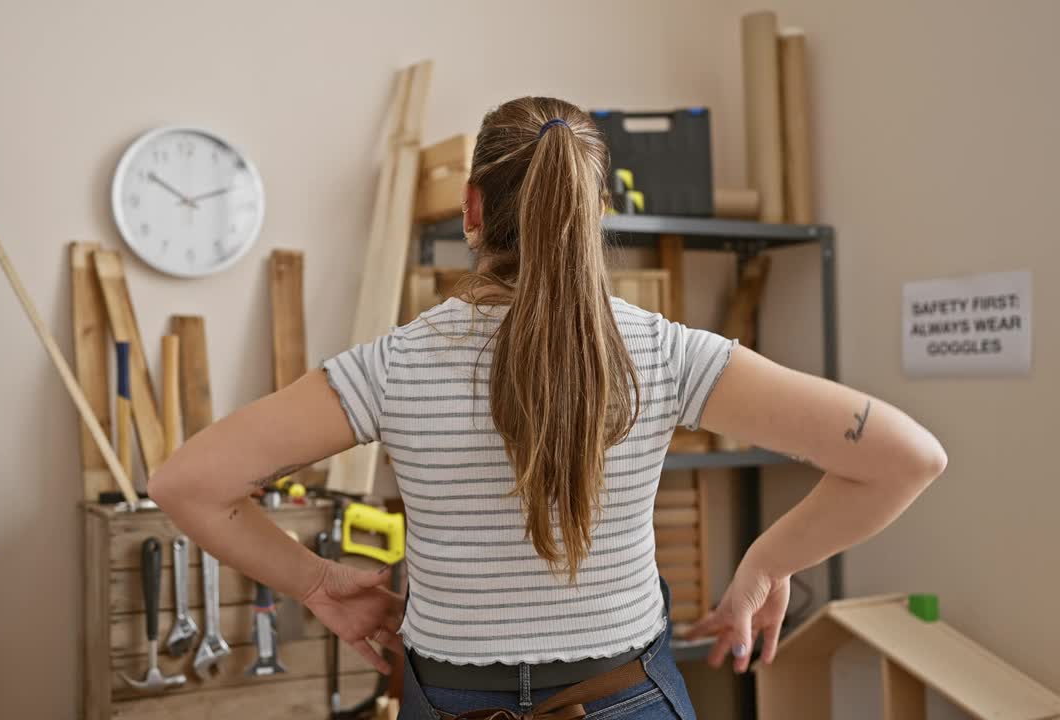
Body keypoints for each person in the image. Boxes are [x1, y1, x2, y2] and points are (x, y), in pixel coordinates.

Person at [151, 96, 946, 719]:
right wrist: (768, 563)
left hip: (449, 703)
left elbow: (187, 483)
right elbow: (905, 458)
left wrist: (318, 583)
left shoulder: (391, 366)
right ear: (595, 215)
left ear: (471, 209)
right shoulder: (667, 353)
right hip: (624, 696)